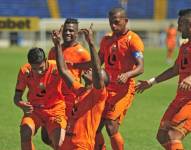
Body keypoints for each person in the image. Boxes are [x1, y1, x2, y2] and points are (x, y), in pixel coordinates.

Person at [71, 7, 144, 150]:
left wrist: (127, 74)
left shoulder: (133, 40)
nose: (113, 26)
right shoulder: (106, 40)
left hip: (123, 91)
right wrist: (73, 65)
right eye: (111, 22)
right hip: (105, 89)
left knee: (111, 125)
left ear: (125, 21)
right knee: (95, 127)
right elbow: (97, 62)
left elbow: (141, 67)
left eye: (116, 22)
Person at [136, 9, 191, 150]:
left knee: (174, 134)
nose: (178, 28)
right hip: (180, 98)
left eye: (181, 24)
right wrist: (151, 82)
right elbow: (175, 69)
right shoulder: (185, 46)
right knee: (162, 135)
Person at [53, 24, 109, 149]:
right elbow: (63, 71)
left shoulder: (98, 95)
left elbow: (96, 68)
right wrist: (57, 45)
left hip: (81, 145)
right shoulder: (80, 91)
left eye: (95, 72)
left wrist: (91, 43)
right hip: (67, 143)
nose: (90, 70)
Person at [41, 18, 91, 145]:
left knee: (63, 136)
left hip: (70, 99)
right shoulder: (54, 51)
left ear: (77, 33)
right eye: (66, 30)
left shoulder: (83, 53)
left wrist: (86, 99)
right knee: (46, 136)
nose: (68, 33)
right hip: (54, 98)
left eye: (71, 30)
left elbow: (90, 77)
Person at [13, 47, 67, 150]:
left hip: (55, 110)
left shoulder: (57, 68)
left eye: (41, 68)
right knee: (25, 132)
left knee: (59, 143)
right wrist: (21, 104)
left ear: (46, 60)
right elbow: (16, 97)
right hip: (35, 110)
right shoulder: (25, 71)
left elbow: (71, 85)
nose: (38, 72)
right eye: (34, 69)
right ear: (29, 64)